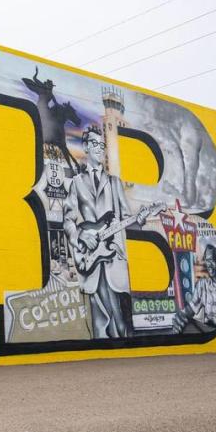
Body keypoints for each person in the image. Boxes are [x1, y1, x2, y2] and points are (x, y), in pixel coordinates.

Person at [63, 124, 148, 338]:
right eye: (95, 144)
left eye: (102, 145)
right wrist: (81, 235)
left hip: (113, 257)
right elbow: (68, 220)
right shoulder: (76, 183)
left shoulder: (114, 182)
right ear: (85, 147)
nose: (100, 149)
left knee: (120, 314)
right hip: (91, 258)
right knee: (99, 317)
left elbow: (127, 218)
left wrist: (140, 218)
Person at [187, 244, 216, 330]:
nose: (208, 265)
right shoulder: (202, 285)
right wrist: (180, 317)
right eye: (207, 261)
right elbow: (189, 311)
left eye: (211, 260)